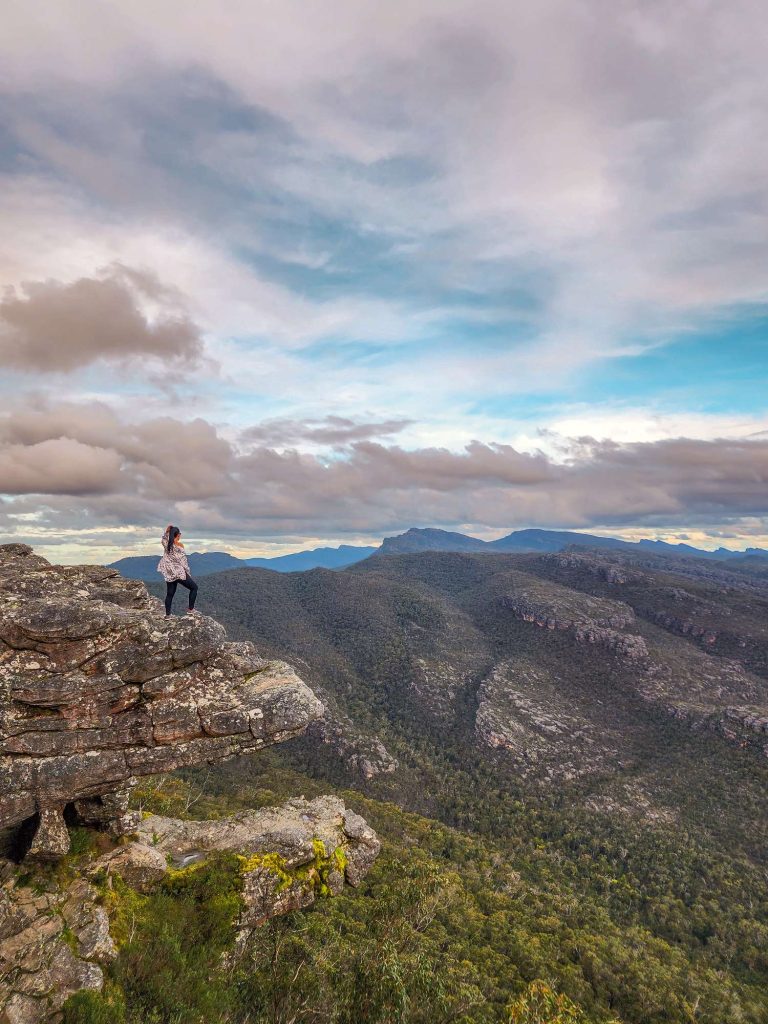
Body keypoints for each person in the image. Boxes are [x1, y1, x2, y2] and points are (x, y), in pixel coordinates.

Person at [157, 525, 199, 617]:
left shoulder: (167, 544)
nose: (180, 536)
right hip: (179, 573)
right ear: (178, 535)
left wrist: (166, 532)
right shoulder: (179, 546)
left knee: (170, 594)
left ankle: (168, 615)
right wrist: (187, 572)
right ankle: (190, 609)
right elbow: (183, 561)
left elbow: (164, 539)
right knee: (194, 588)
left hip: (169, 573)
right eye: (180, 534)